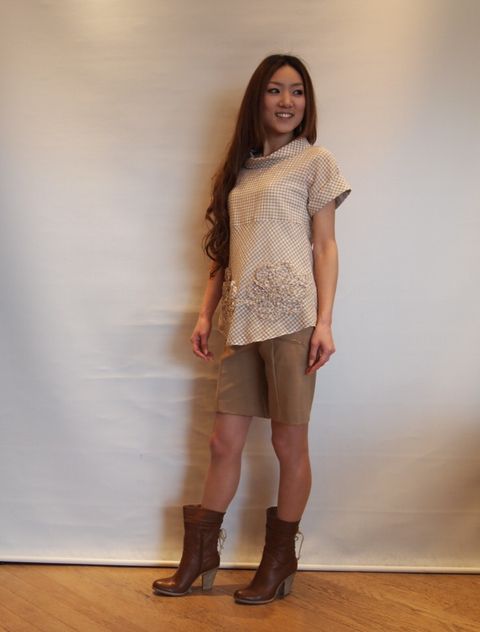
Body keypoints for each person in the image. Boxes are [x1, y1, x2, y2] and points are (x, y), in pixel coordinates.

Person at [152, 53, 351, 605]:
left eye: (297, 91)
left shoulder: (316, 162)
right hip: (239, 321)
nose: (287, 101)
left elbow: (326, 246)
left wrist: (325, 322)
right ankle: (200, 556)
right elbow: (224, 252)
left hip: (292, 319)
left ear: (307, 102)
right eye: (275, 90)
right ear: (257, 99)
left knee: (289, 442)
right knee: (223, 441)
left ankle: (279, 560)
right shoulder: (239, 170)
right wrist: (204, 313)